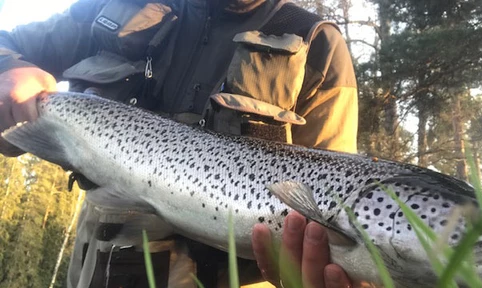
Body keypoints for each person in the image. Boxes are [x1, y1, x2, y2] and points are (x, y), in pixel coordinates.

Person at [0, 0, 358, 287]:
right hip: (99, 268)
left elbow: (331, 200)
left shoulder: (316, 44)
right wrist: (9, 67)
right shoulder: (117, 7)